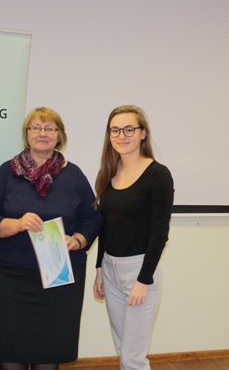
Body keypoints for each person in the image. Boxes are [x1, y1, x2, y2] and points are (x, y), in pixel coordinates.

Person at [0, 107, 102, 370]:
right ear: (26, 134)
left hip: (58, 278)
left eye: (49, 128)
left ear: (59, 135)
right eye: (35, 127)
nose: (42, 133)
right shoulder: (7, 171)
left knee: (49, 350)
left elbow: (93, 218)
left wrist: (78, 240)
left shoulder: (74, 175)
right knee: (10, 349)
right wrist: (17, 224)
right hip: (9, 277)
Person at [93, 105, 174, 370]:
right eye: (115, 130)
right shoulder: (108, 173)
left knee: (132, 358)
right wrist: (99, 269)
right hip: (110, 269)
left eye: (129, 129)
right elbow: (105, 226)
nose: (122, 136)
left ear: (143, 133)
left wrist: (143, 279)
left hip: (139, 271)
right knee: (123, 350)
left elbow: (160, 232)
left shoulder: (158, 175)